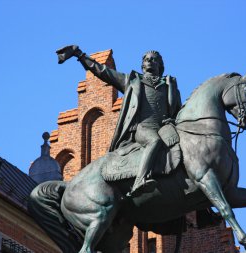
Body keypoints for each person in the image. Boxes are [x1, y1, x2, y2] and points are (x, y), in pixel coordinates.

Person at [56, 45, 182, 196]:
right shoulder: (132, 81)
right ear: (142, 65)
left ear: (160, 65)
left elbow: (177, 112)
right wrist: (80, 55)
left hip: (164, 128)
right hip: (143, 128)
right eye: (147, 59)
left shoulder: (169, 85)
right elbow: (103, 72)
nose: (150, 61)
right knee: (154, 141)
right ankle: (140, 180)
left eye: (154, 60)